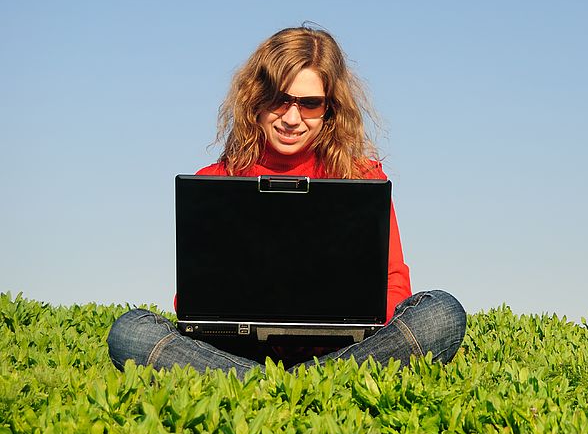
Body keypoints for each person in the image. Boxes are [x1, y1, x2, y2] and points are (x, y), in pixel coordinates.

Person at [107, 25, 467, 379]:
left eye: (310, 104)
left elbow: (393, 281)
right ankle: (312, 383)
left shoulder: (361, 178)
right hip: (239, 349)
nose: (292, 118)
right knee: (131, 331)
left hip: (341, 350)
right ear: (256, 99)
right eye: (280, 99)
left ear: (329, 109)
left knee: (442, 314)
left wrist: (351, 321)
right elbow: (193, 303)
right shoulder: (216, 180)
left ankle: (262, 383)